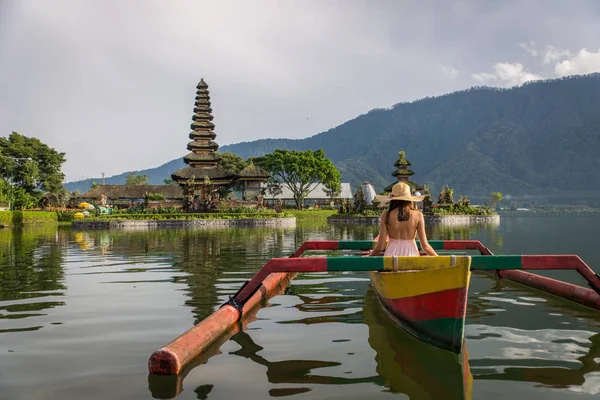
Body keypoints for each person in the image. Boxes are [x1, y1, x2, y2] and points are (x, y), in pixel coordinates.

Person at [370, 182, 438, 257]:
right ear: (409, 199)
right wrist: (440, 260)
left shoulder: (386, 215)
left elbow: (380, 247)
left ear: (392, 200)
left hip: (390, 256)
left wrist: (368, 259)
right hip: (411, 255)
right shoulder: (418, 216)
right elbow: (425, 246)